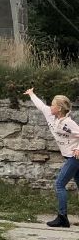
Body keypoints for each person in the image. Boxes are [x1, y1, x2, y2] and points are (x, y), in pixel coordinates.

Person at [24, 88, 79, 227]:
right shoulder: (50, 114)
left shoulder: (69, 123)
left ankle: (62, 218)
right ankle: (63, 217)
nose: (50, 106)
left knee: (60, 184)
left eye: (53, 104)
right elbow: (41, 105)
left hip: (75, 158)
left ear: (59, 108)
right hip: (70, 158)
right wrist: (31, 94)